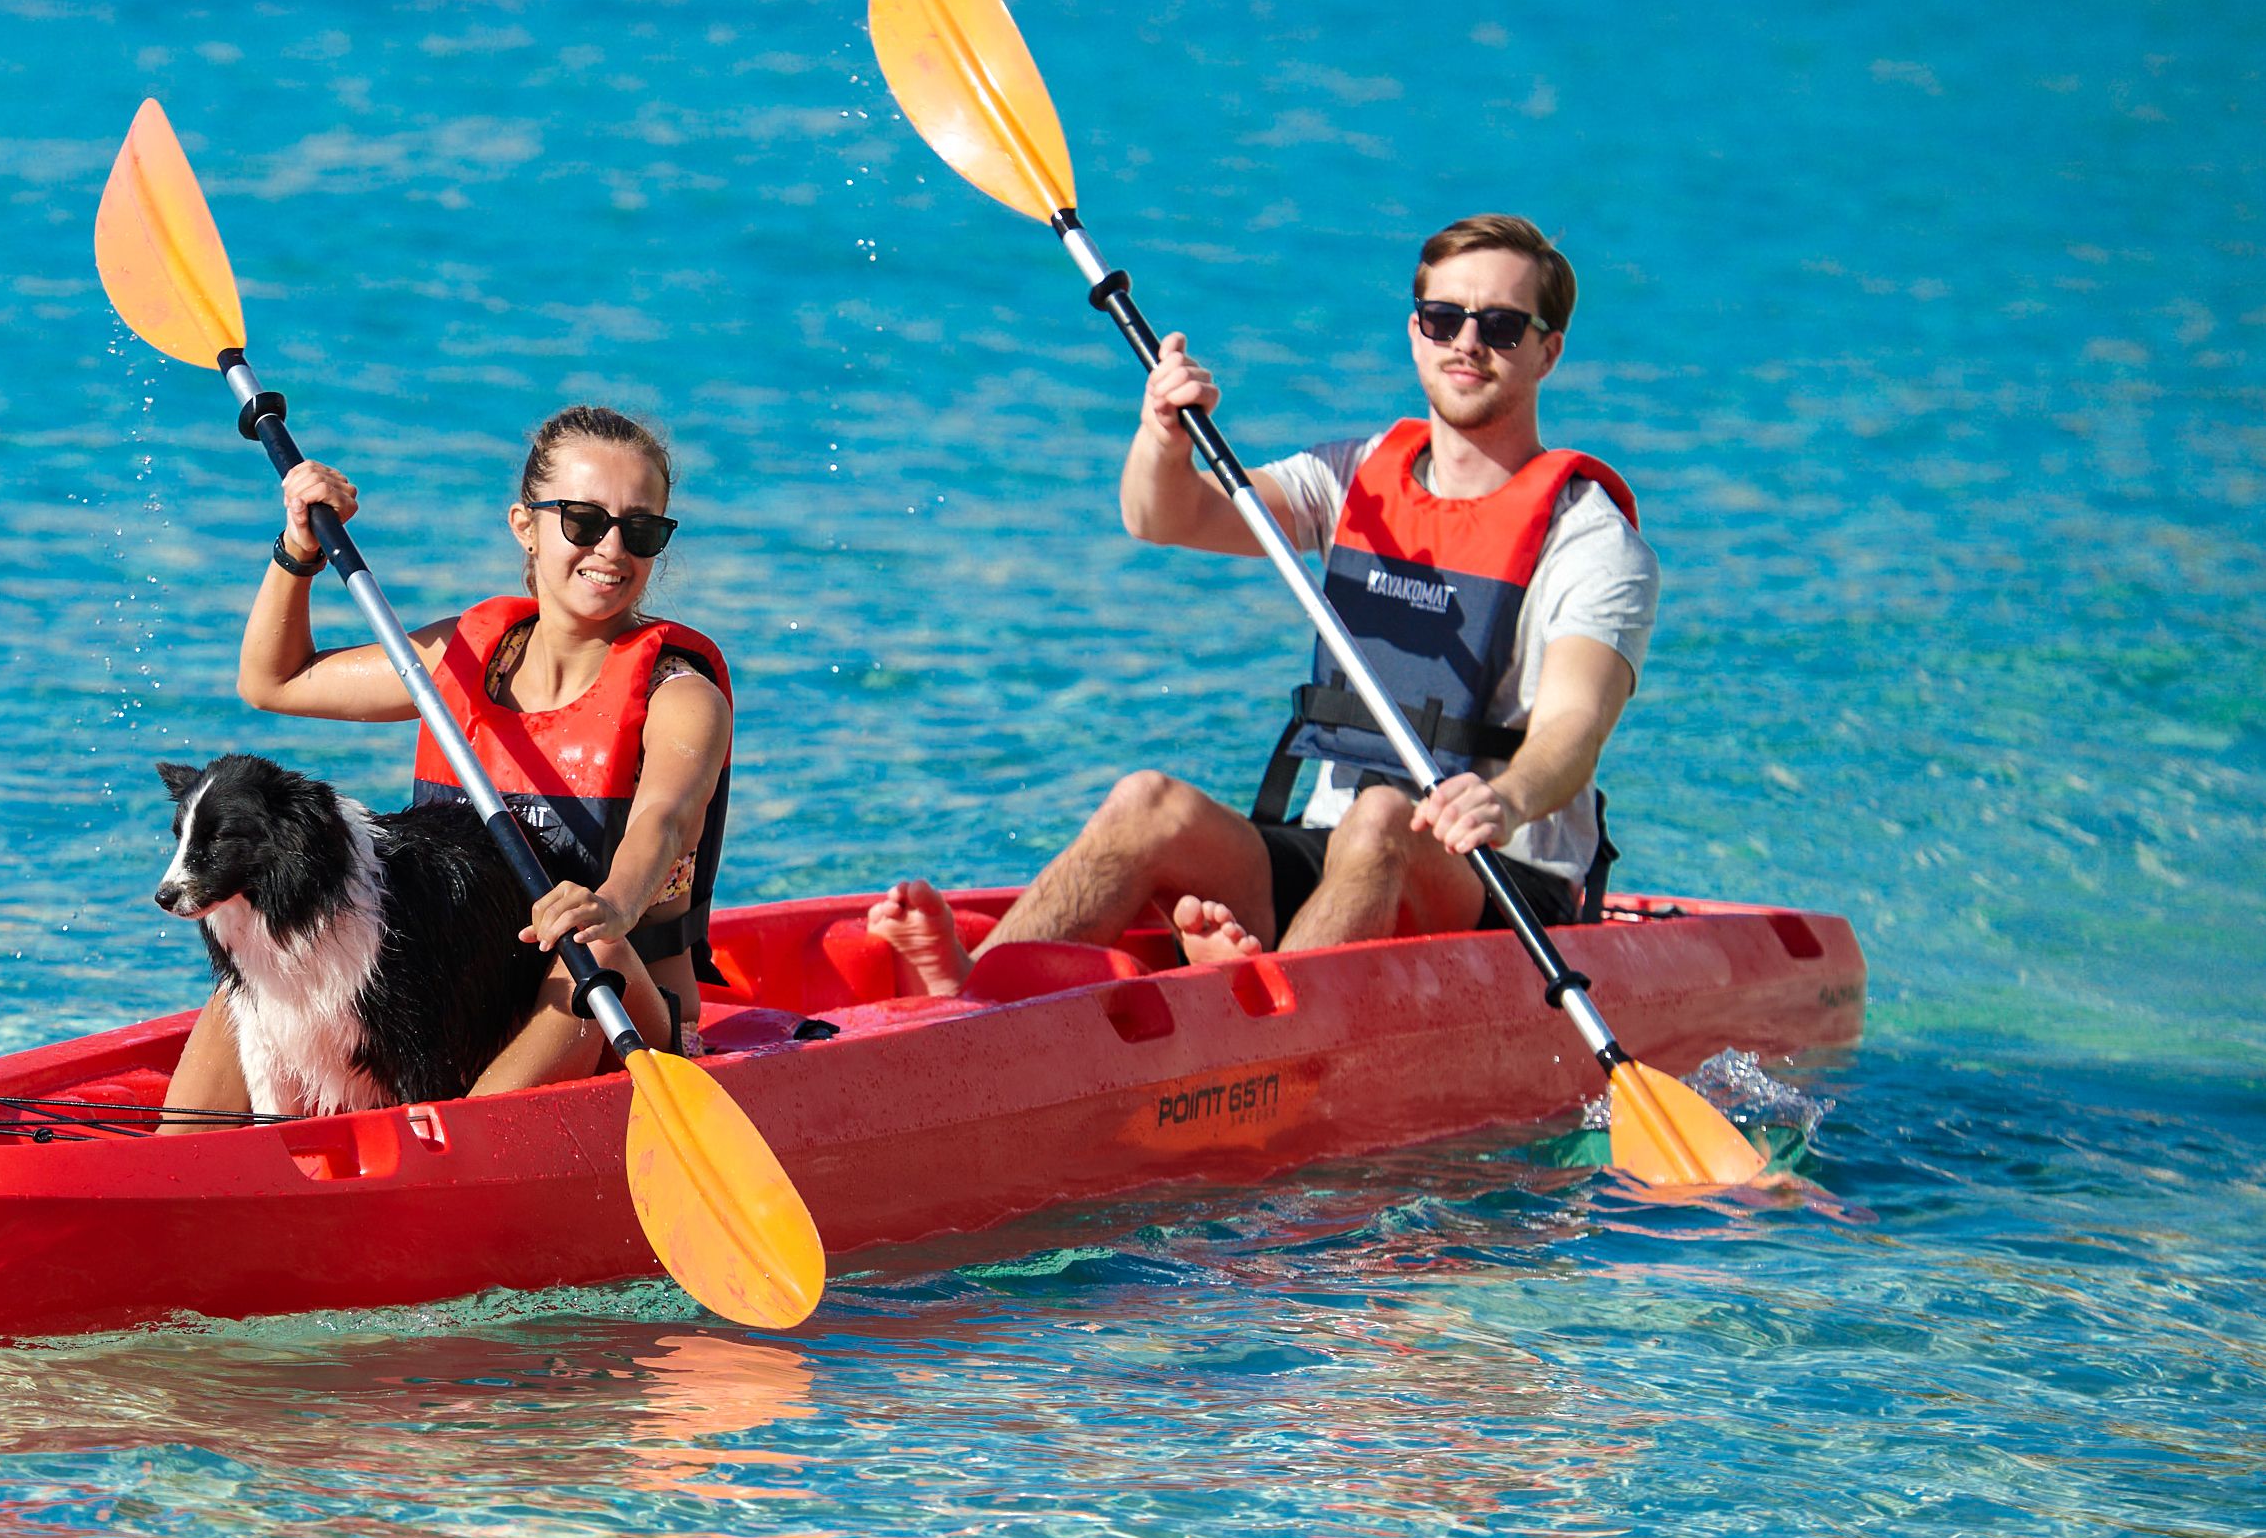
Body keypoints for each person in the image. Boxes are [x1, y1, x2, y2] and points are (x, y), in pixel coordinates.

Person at [869, 214, 1656, 992]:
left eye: (1502, 326)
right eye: (1443, 318)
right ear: (1415, 332)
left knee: (1383, 818)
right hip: (1333, 852)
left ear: (1548, 350)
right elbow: (1163, 517)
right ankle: (973, 999)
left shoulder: (1591, 542)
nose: (1467, 342)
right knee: (1147, 803)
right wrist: (1162, 438)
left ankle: (1260, 1013)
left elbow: (1572, 730)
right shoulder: (1350, 477)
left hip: (1504, 881)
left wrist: (1506, 799)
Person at [163, 405, 734, 1108]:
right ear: (525, 526)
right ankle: (174, 1156)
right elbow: (272, 681)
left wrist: (612, 904)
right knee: (265, 952)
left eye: (640, 530)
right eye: (584, 521)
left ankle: (457, 1146)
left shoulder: (681, 696)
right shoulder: (459, 659)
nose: (612, 550)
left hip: (616, 1013)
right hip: (455, 1012)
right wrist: (298, 550)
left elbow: (665, 822)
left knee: (591, 950)